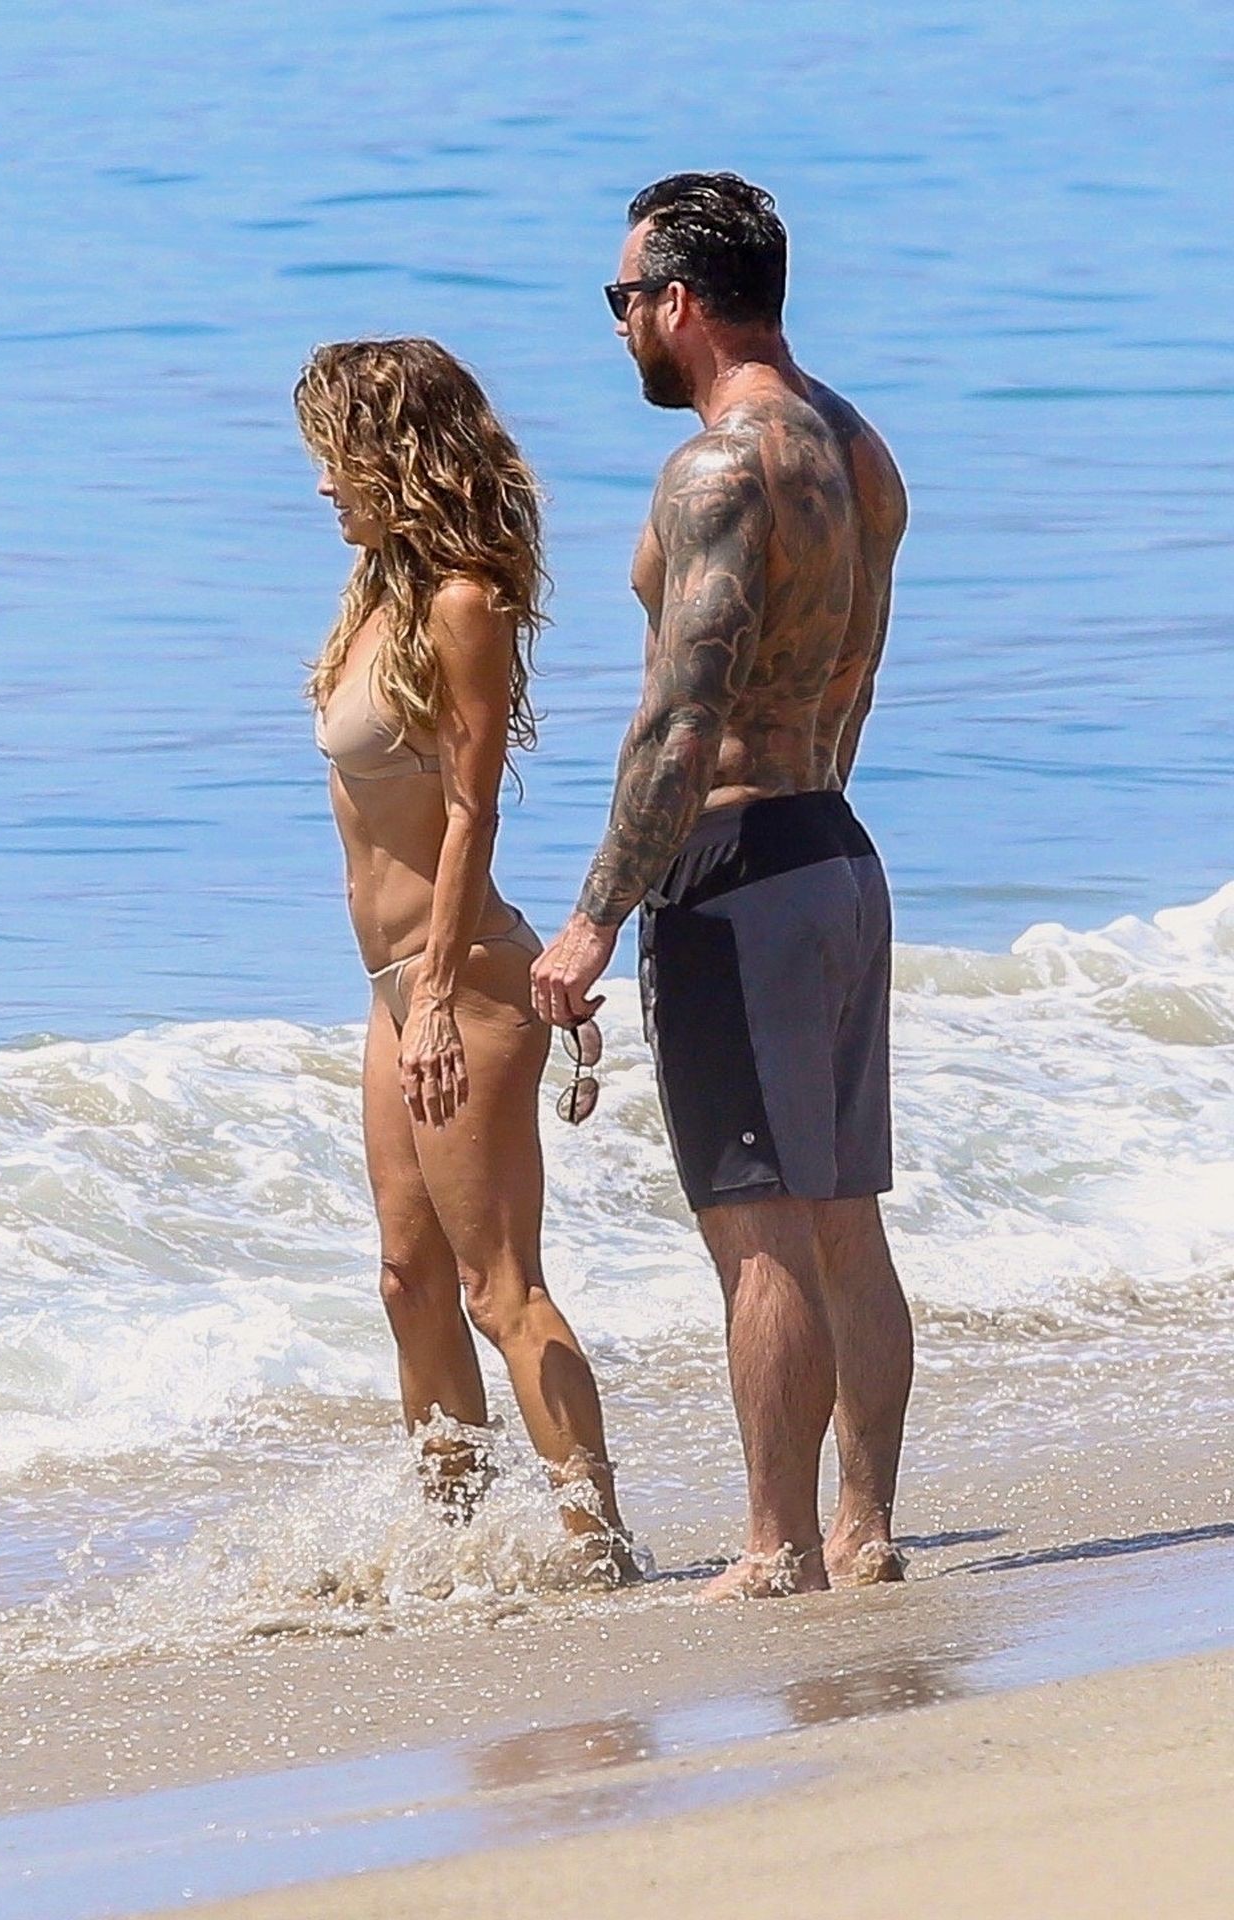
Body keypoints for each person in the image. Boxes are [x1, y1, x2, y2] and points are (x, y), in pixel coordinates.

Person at [531, 174, 913, 1598]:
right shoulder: (856, 450)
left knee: (757, 1230)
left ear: (679, 303)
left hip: (740, 870)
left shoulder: (717, 469)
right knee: (843, 1214)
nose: (619, 325)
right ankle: (862, 1529)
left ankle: (773, 1546)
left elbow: (680, 719)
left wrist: (593, 918)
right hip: (834, 848)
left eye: (623, 298)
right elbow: (852, 676)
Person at [294, 337, 631, 1576]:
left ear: (395, 455)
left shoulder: (462, 604)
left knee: (497, 1285)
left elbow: (469, 811)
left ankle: (598, 1549)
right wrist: (404, 997)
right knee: (405, 1278)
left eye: (336, 456)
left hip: (463, 977)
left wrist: (435, 993)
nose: (322, 484)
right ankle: (456, 1550)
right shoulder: (375, 596)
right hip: (391, 986)